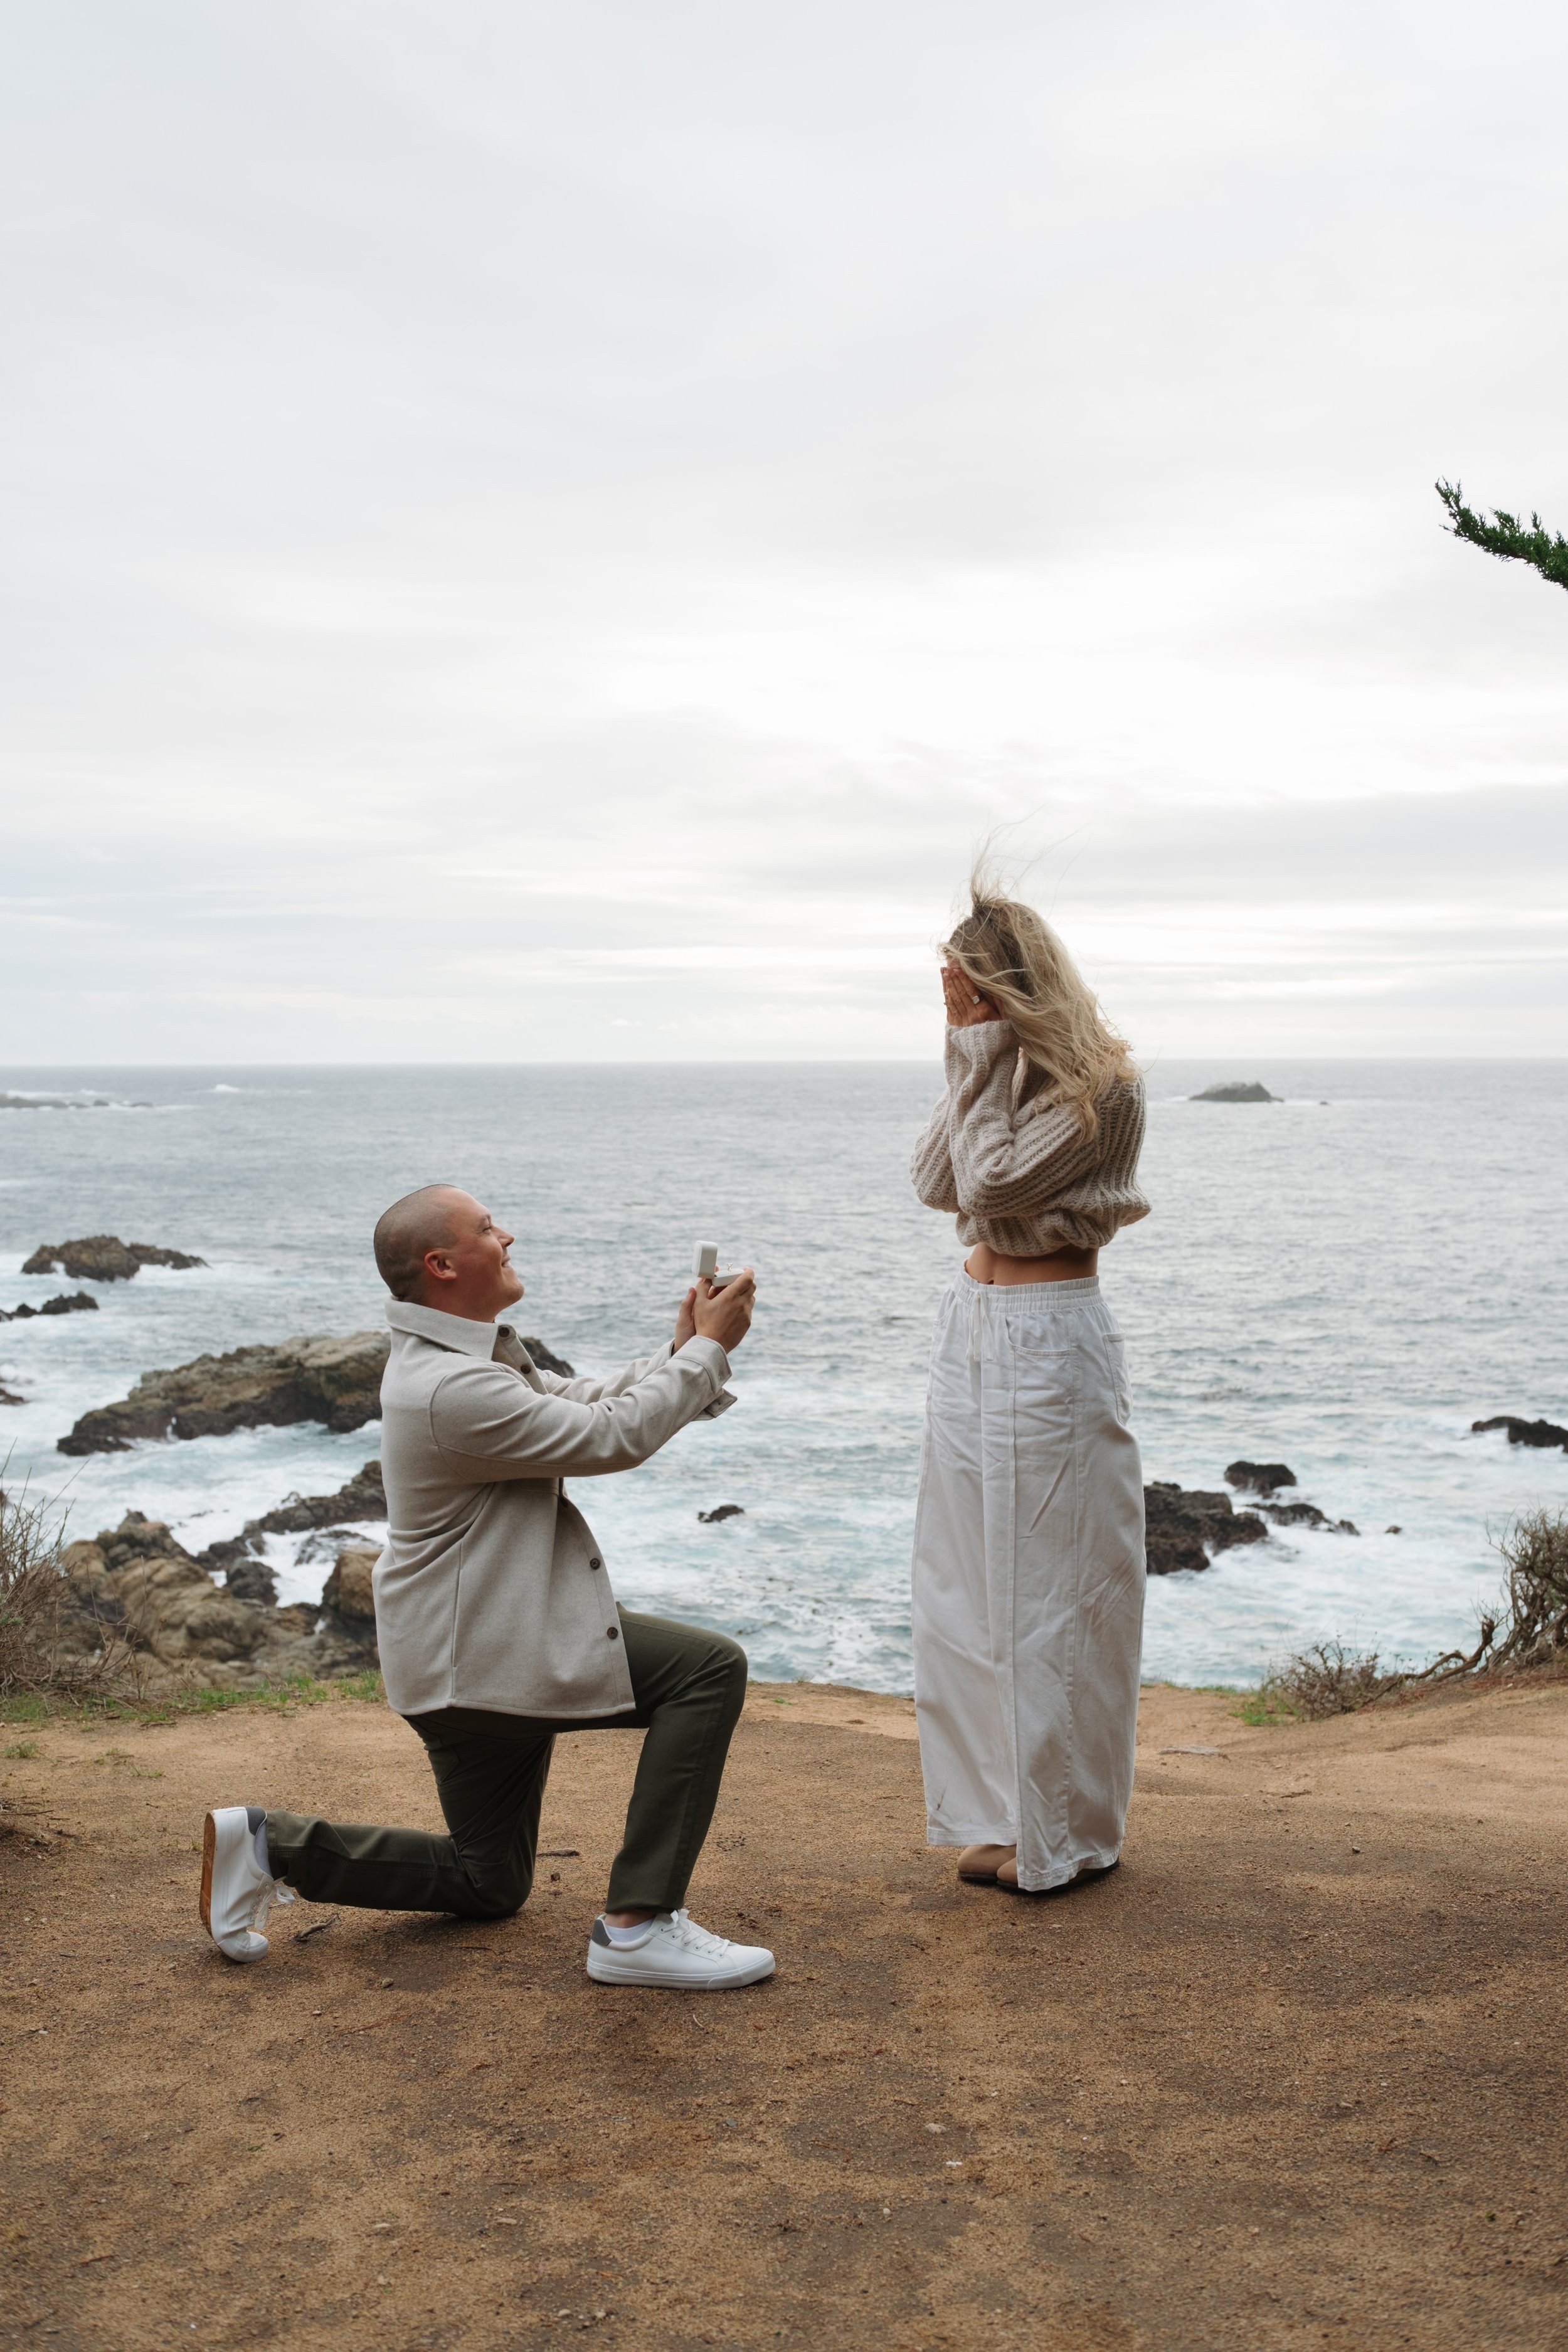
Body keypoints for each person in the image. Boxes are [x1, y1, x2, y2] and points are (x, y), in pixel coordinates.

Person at [199, 1184, 775, 1991]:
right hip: (485, 1651)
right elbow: (607, 1437)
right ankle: (639, 1926)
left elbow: (577, 1403)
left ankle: (270, 1846)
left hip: (457, 1660)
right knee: (705, 1671)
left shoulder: (460, 1362)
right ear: (441, 1264)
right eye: (487, 1228)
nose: (507, 1237)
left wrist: (684, 1353)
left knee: (487, 1880)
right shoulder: (450, 1387)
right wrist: (706, 1353)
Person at [909, 879, 1150, 1895]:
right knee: (962, 1582)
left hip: (1050, 1336)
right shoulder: (995, 1069)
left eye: (966, 990)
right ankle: (996, 1811)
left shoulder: (1105, 1087)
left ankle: (1066, 1833)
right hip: (972, 1324)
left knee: (1057, 1590)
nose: (955, 1006)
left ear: (1009, 985)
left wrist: (977, 1053)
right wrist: (975, 1057)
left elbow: (994, 1185)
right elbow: (936, 1180)